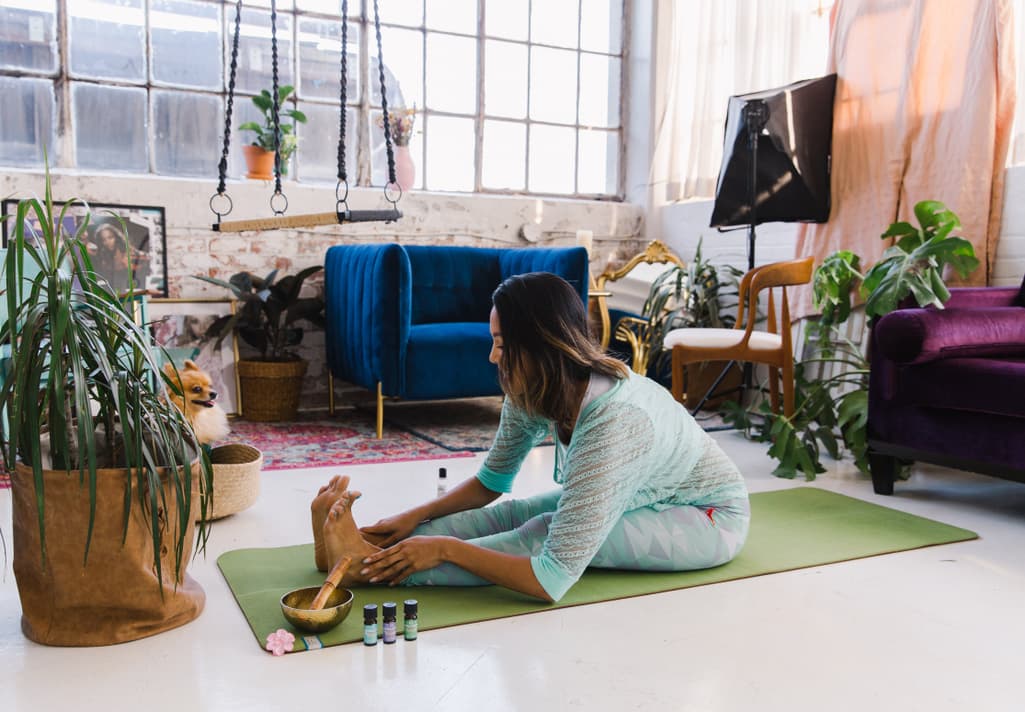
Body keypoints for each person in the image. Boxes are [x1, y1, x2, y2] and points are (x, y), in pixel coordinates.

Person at [311, 272, 750, 603]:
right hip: (641, 495)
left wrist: (445, 549)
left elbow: (551, 577)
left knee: (542, 531)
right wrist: (415, 516)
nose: (491, 356)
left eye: (502, 344)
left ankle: (362, 568)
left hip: (706, 517)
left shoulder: (617, 422)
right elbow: (491, 485)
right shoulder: (535, 388)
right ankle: (365, 550)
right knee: (515, 513)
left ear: (544, 345)